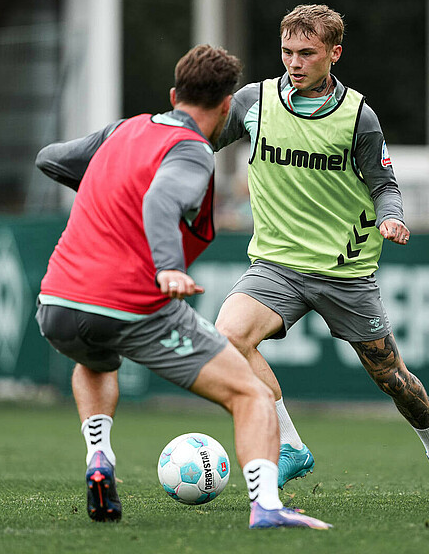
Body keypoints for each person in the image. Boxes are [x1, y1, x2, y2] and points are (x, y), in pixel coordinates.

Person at [34, 44, 330, 529]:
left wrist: (106, 192)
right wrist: (168, 265)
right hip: (132, 302)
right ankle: (267, 507)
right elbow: (160, 200)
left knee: (94, 359)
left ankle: (99, 459)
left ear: (174, 95)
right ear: (227, 106)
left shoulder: (124, 130)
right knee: (251, 396)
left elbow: (51, 159)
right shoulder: (193, 152)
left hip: (58, 304)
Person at [212, 4, 429, 504]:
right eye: (287, 51)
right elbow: (202, 136)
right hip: (277, 263)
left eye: (307, 53)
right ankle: (290, 446)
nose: (294, 62)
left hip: (344, 272)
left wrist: (391, 216)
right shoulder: (255, 101)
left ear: (334, 53)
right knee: (227, 337)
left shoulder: (358, 115)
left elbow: (385, 184)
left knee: (394, 379)